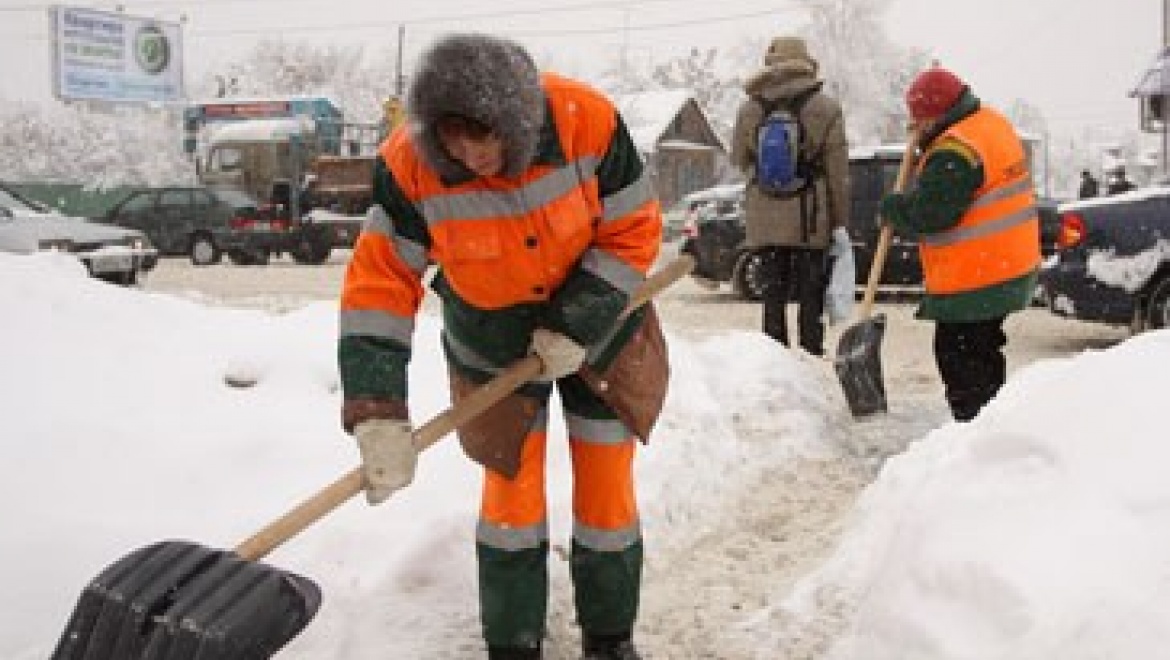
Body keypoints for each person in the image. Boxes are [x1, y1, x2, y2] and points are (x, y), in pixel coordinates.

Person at [336, 33, 667, 660]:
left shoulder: (586, 122)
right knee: (509, 495)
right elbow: (381, 282)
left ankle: (609, 638)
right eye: (452, 138)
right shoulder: (410, 167)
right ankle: (512, 643)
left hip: (601, 337)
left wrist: (578, 321)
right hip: (491, 347)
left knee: (606, 488)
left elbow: (633, 229)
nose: (469, 153)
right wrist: (376, 408)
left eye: (482, 135)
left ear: (517, 119)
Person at [880, 67, 1041, 422]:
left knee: (960, 356)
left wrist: (893, 209)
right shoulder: (989, 123)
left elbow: (932, 214)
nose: (915, 126)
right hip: (1007, 263)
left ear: (935, 114)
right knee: (982, 350)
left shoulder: (955, 150)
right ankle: (991, 426)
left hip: (979, 273)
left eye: (918, 118)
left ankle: (974, 433)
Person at [729, 36, 849, 356]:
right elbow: (838, 172)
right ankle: (810, 353)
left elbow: (738, 159)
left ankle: (774, 356)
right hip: (810, 214)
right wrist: (839, 221)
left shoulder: (749, 108)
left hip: (764, 214)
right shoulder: (826, 108)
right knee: (812, 294)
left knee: (773, 294)